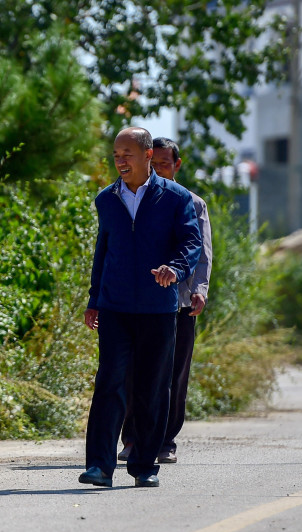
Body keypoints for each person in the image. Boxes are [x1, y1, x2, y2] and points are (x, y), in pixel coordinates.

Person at [80, 128, 201, 489]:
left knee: (153, 387)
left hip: (158, 309)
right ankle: (100, 466)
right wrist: (93, 299)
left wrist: (176, 269)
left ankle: (145, 465)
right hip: (115, 306)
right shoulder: (107, 199)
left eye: (128, 153)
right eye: (117, 153)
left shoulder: (177, 199)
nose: (121, 160)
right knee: (109, 384)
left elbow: (191, 242)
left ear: (148, 155)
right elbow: (103, 251)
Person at [118, 138, 213, 465]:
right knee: (134, 372)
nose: (158, 169)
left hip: (180, 304)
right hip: (138, 305)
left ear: (177, 165)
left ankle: (164, 440)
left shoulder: (193, 203)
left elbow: (202, 254)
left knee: (174, 376)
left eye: (164, 164)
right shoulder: (132, 199)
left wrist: (199, 288)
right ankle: (131, 438)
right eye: (153, 163)